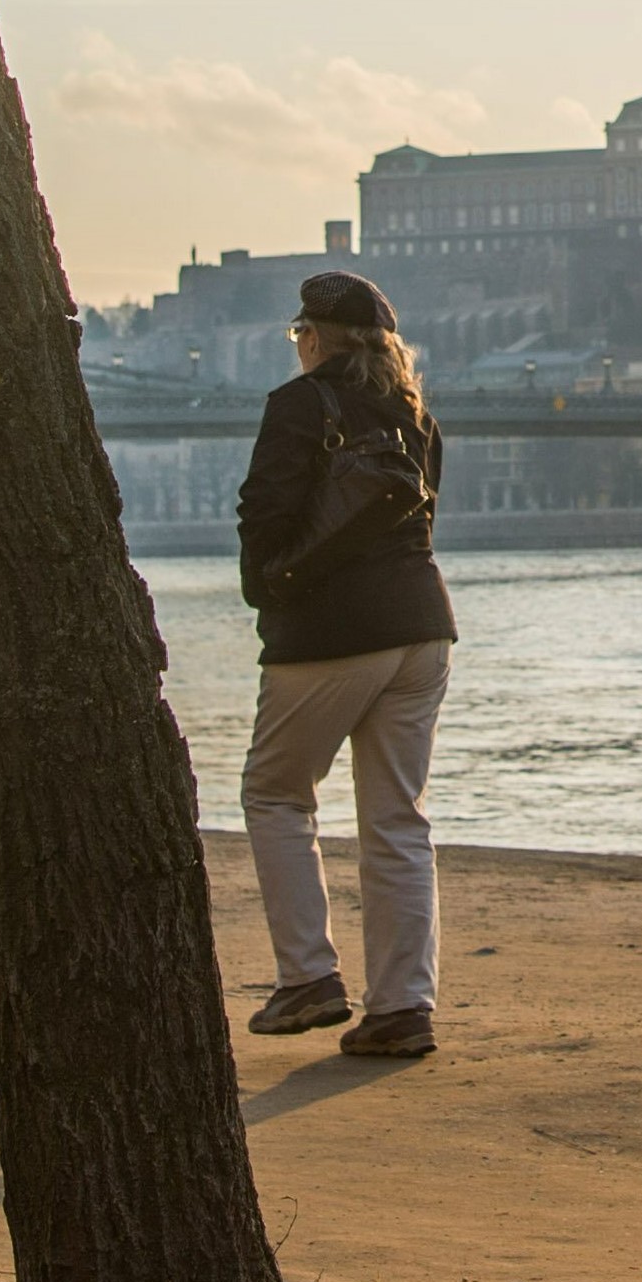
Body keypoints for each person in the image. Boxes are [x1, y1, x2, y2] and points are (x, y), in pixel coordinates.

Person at [233, 270, 456, 1060]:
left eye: (299, 334)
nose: (297, 345)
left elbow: (264, 514)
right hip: (423, 627)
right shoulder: (415, 414)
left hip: (329, 632)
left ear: (315, 337)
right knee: (397, 821)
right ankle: (402, 1008)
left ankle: (308, 977)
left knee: (275, 794)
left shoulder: (299, 405)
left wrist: (268, 593)